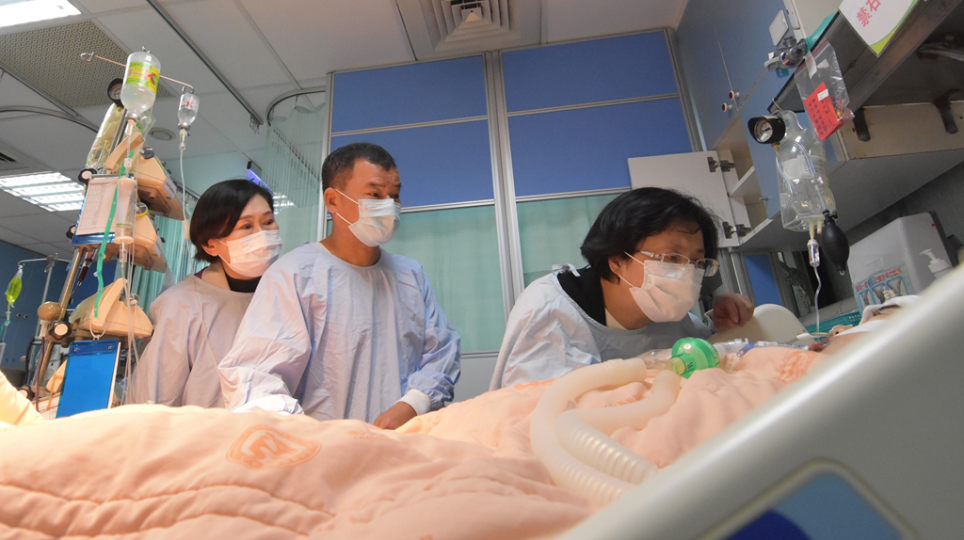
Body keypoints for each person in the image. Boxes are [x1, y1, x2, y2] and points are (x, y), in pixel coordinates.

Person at [218, 142, 460, 429]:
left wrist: (414, 403)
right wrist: (310, 437)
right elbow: (256, 377)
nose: (389, 206)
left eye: (394, 195)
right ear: (333, 201)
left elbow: (442, 352)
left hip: (405, 442)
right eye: (374, 194)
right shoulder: (294, 275)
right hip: (323, 449)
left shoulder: (410, 276)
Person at [490, 187, 754, 390]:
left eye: (698, 262)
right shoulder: (550, 311)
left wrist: (724, 323)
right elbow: (538, 409)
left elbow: (709, 357)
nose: (688, 273)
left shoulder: (668, 316)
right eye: (672, 258)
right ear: (616, 259)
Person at [128, 179, 282, 407]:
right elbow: (155, 398)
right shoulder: (183, 305)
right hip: (209, 428)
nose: (262, 235)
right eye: (246, 226)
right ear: (211, 245)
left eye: (268, 222)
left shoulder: (285, 296)